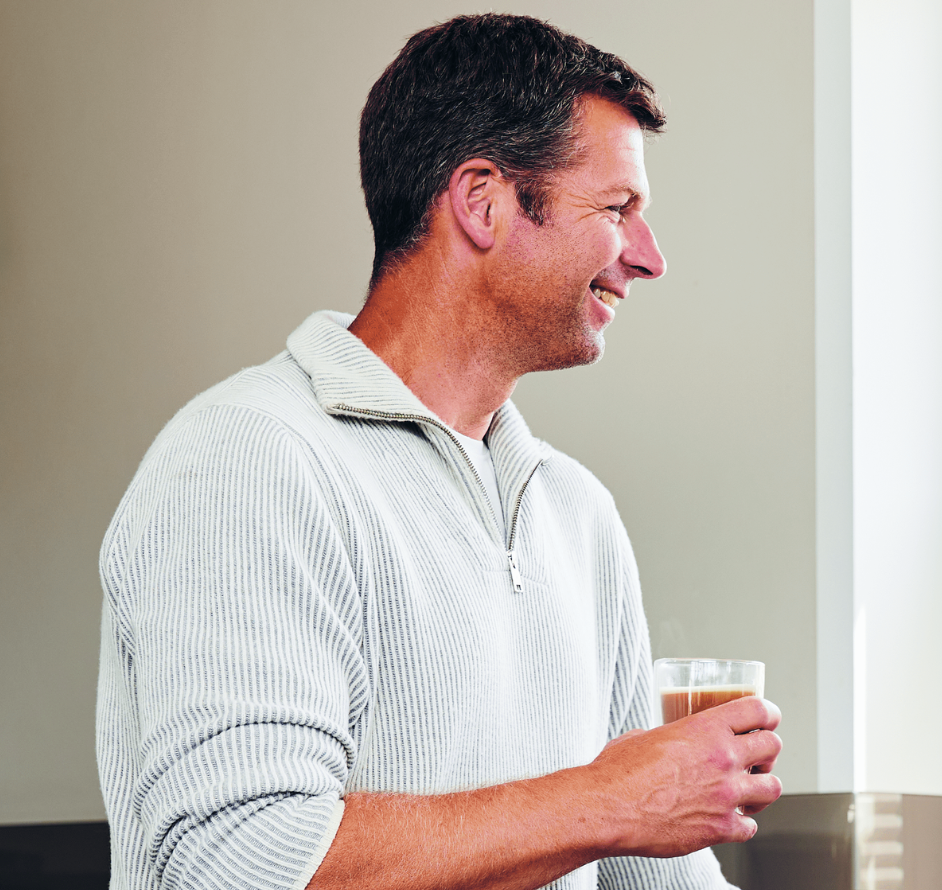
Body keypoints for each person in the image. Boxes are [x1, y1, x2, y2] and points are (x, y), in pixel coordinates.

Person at [95, 15, 777, 890]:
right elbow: (237, 862)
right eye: (617, 209)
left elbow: (648, 872)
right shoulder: (249, 459)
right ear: (483, 200)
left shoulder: (575, 512)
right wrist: (606, 800)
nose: (649, 258)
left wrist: (639, 804)